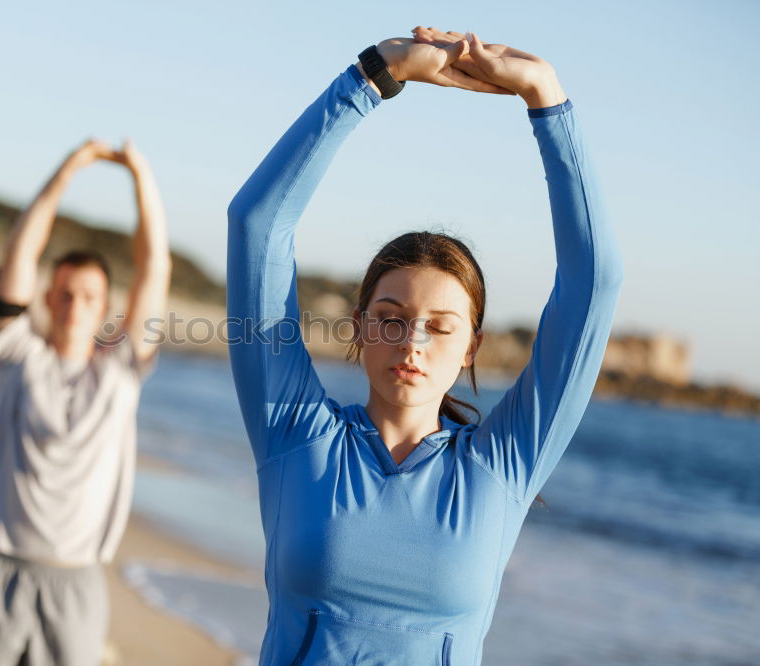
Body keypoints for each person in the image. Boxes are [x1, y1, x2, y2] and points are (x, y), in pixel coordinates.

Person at [226, 27, 623, 665]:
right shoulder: (295, 433)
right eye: (390, 317)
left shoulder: (504, 465)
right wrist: (371, 77)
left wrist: (547, 98)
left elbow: (593, 284)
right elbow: (257, 226)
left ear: (472, 347)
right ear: (359, 327)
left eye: (441, 326)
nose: (411, 340)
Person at [0, 138, 171, 665]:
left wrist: (140, 177)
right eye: (63, 293)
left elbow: (153, 265)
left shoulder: (122, 372)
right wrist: (70, 167)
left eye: (88, 297)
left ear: (107, 307)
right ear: (47, 298)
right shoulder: (18, 357)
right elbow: (20, 253)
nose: (73, 306)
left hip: (75, 581)